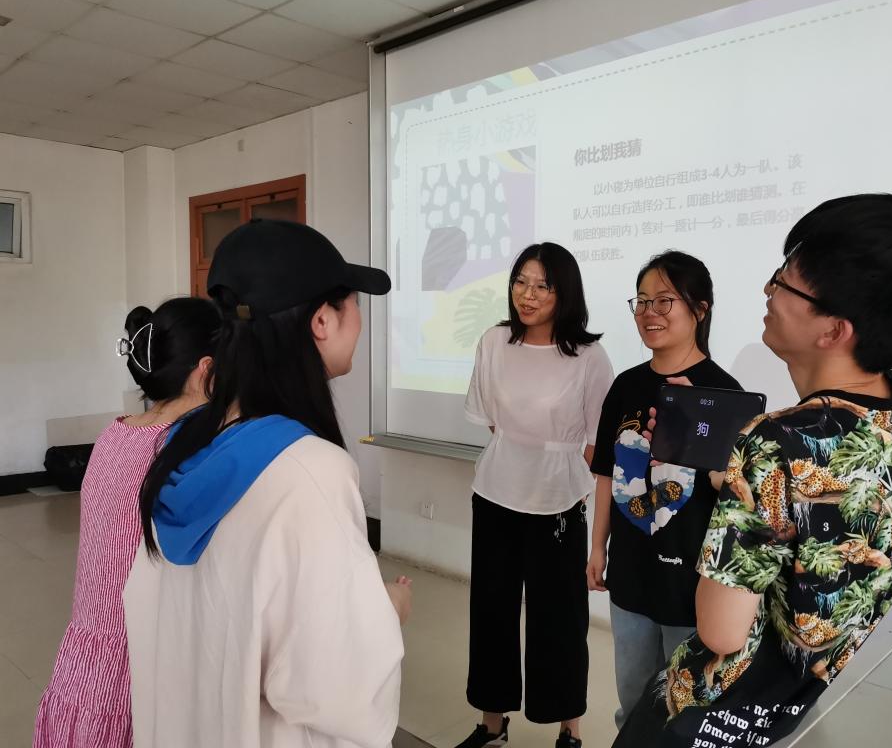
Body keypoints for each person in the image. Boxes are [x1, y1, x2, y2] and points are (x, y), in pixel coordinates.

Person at [614, 194, 892, 747]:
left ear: (834, 330)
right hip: (791, 702)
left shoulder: (773, 443)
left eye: (784, 282)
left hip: (709, 714)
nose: (768, 290)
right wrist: (735, 474)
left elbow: (721, 632)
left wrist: (744, 477)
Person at [122, 220, 409, 748]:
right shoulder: (310, 471)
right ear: (322, 321)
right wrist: (386, 612)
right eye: (354, 305)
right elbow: (332, 686)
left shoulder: (181, 446)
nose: (360, 321)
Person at [34, 297, 219, 748]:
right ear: (206, 369)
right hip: (137, 657)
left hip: (87, 660)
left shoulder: (116, 433)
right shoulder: (178, 449)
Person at [456, 243, 614, 748]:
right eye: (520, 282)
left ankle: (569, 729)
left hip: (559, 502)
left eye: (542, 285)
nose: (527, 294)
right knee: (491, 611)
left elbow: (598, 441)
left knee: (560, 619)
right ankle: (492, 724)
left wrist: (562, 473)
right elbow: (493, 419)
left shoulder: (588, 357)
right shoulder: (494, 341)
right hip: (496, 493)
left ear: (564, 292)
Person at [586, 251, 741, 730]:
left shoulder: (725, 394)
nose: (649, 312)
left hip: (692, 584)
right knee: (633, 702)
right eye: (642, 301)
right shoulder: (625, 386)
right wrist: (597, 546)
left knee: (686, 712)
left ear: (700, 309)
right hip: (631, 573)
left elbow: (737, 499)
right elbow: (607, 472)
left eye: (664, 300)